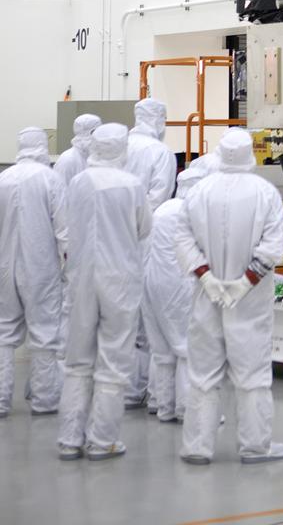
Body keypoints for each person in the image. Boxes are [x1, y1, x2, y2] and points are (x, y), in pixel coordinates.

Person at [175, 129, 283, 464]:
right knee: (252, 373)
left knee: (203, 373)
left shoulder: (199, 192)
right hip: (249, 299)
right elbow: (273, 245)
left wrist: (207, 277)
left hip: (207, 296)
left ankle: (197, 447)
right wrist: (244, 282)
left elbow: (182, 237)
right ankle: (255, 446)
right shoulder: (265, 193)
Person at [57, 123, 151, 460]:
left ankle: (70, 439)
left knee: (77, 359)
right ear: (122, 148)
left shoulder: (78, 182)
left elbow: (66, 225)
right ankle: (102, 440)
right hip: (119, 279)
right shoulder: (132, 184)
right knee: (113, 359)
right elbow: (144, 228)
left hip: (81, 277)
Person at [142, 154, 219, 423]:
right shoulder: (194, 212)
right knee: (189, 348)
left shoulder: (164, 208)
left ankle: (161, 405)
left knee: (162, 350)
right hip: (179, 285)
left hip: (152, 283)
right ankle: (189, 408)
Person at [0, 128, 67, 417]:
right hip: (41, 268)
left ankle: (1, 400)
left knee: (3, 333)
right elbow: (64, 230)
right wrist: (70, 268)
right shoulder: (50, 179)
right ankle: (44, 400)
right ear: (41, 146)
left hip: (5, 268)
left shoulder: (3, 179)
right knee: (44, 334)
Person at [125, 97, 177, 408]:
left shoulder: (120, 146)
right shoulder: (160, 153)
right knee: (147, 319)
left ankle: (125, 389)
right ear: (158, 120)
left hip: (114, 240)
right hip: (144, 239)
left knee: (122, 318)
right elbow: (158, 198)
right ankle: (146, 392)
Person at [54, 113, 102, 187]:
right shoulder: (68, 160)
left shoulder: (98, 157)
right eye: (94, 132)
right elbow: (60, 189)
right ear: (83, 133)